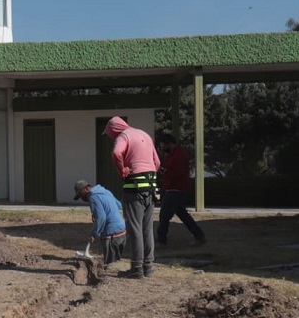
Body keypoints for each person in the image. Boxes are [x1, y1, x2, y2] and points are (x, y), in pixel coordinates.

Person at [103, 117, 161, 278]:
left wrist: (122, 171)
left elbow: (116, 153)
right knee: (147, 228)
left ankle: (136, 269)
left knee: (135, 229)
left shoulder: (124, 136)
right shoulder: (144, 134)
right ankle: (148, 267)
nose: (111, 137)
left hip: (134, 189)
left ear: (114, 129)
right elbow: (157, 163)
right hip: (151, 188)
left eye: (110, 134)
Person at [156, 133, 206, 246]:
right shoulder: (175, 154)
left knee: (164, 215)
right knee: (183, 215)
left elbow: (178, 173)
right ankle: (199, 235)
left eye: (163, 146)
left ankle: (161, 240)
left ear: (169, 143)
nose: (163, 149)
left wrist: (165, 173)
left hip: (175, 189)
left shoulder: (178, 156)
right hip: (176, 189)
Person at [73, 179, 126, 264]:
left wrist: (94, 234)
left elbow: (101, 217)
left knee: (110, 264)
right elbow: (119, 205)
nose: (81, 198)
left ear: (86, 189)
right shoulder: (105, 191)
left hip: (111, 234)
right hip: (121, 230)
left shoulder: (92, 196)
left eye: (81, 194)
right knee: (116, 262)